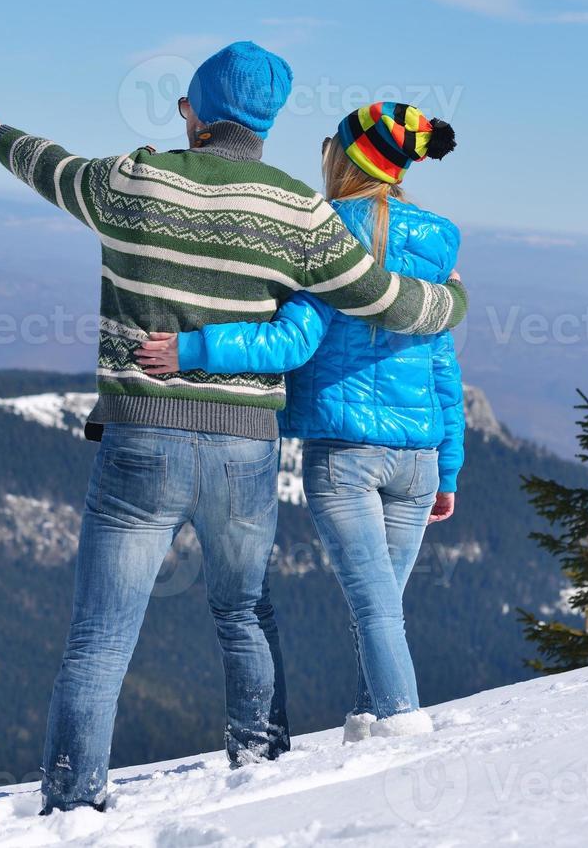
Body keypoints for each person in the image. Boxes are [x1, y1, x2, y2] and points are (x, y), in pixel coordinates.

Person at [0, 43, 468, 813]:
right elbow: (385, 300)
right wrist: (452, 303)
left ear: (196, 113)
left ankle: (71, 802)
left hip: (140, 439)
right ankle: (258, 773)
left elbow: (50, 167)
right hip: (244, 447)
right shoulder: (298, 209)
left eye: (185, 103)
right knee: (242, 610)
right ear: (266, 123)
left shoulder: (131, 179)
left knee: (99, 636)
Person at [135, 103, 465, 741]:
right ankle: (369, 725)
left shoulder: (325, 239)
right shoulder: (435, 250)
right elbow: (445, 368)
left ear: (344, 161)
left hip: (343, 455)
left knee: (375, 608)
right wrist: (448, 465)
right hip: (418, 457)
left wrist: (191, 351)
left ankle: (402, 731)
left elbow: (288, 344)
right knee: (383, 609)